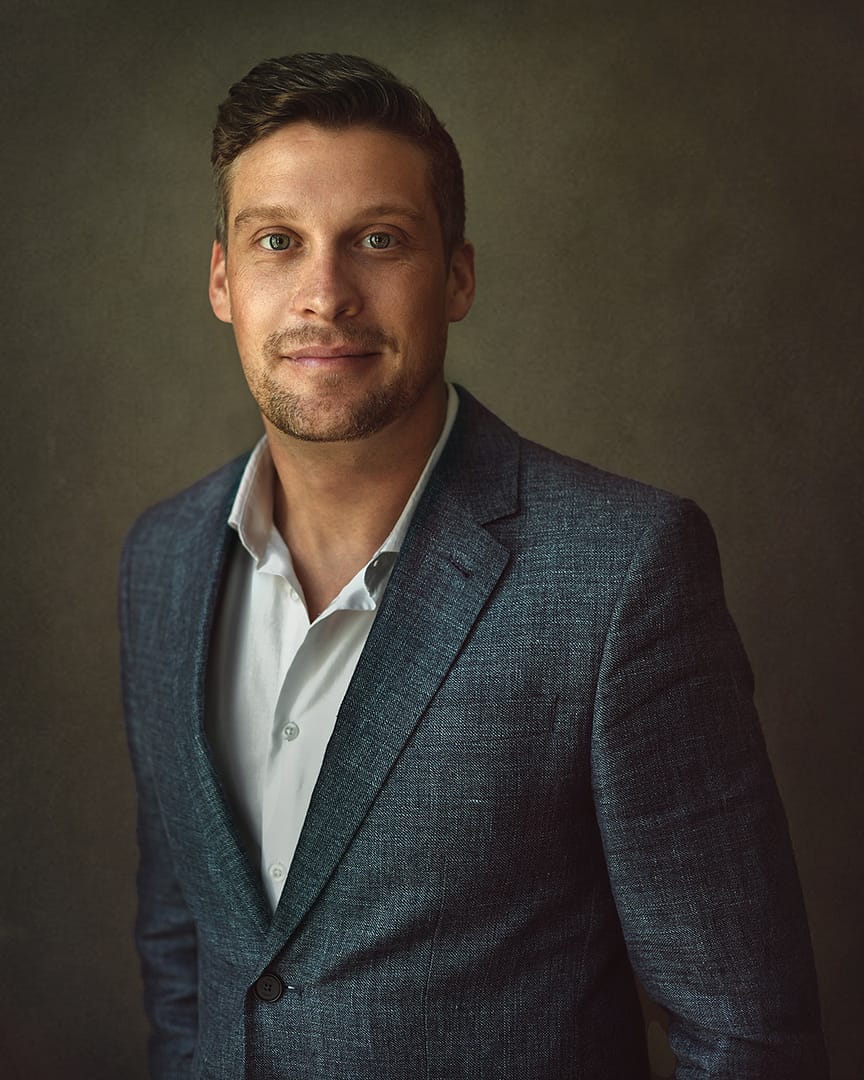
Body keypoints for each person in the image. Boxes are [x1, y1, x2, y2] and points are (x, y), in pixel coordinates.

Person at [120, 52, 828, 1079]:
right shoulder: (163, 563)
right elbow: (186, 953)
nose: (326, 294)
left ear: (455, 275)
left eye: (378, 239)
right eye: (278, 240)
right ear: (225, 279)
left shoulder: (622, 572)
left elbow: (746, 1031)